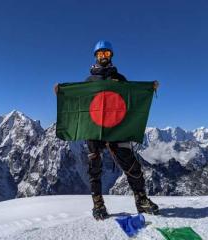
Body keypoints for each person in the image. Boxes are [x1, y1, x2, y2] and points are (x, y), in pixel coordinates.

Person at [54, 40, 159, 220]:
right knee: (94, 166)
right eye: (100, 54)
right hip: (95, 130)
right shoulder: (88, 82)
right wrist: (62, 93)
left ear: (111, 56)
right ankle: (98, 204)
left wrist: (149, 89)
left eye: (107, 53)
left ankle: (141, 199)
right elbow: (81, 104)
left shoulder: (120, 79)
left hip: (117, 128)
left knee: (131, 164)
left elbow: (130, 100)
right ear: (95, 56)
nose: (104, 57)